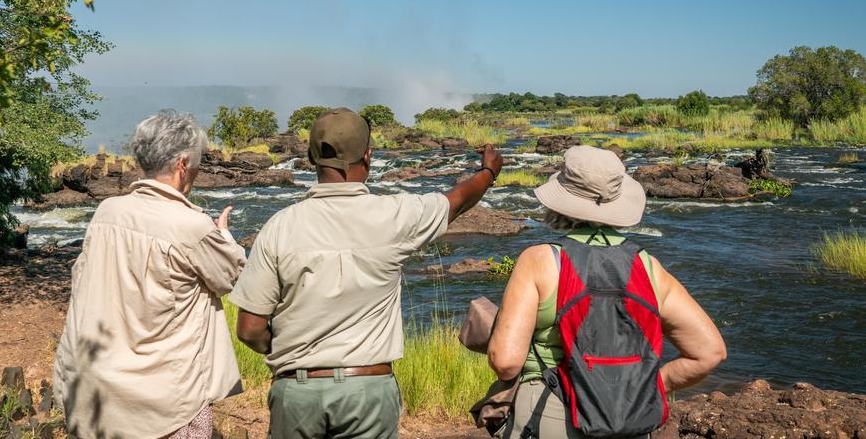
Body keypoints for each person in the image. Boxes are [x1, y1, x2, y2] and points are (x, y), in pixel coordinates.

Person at [229, 107, 504, 439]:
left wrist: (287, 352)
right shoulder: (395, 215)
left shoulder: (279, 227)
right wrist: (488, 172)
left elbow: (249, 328)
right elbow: (455, 202)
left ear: (311, 158)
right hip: (368, 390)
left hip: (297, 391)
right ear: (368, 156)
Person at [488, 145, 726, 438]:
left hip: (551, 409)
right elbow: (710, 353)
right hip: (629, 417)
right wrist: (648, 386)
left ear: (560, 201)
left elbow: (506, 362)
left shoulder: (539, 260)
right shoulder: (649, 266)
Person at [54, 110, 247, 438]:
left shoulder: (106, 212)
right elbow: (231, 278)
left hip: (97, 391)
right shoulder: (191, 226)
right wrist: (224, 236)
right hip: (165, 402)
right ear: (183, 164)